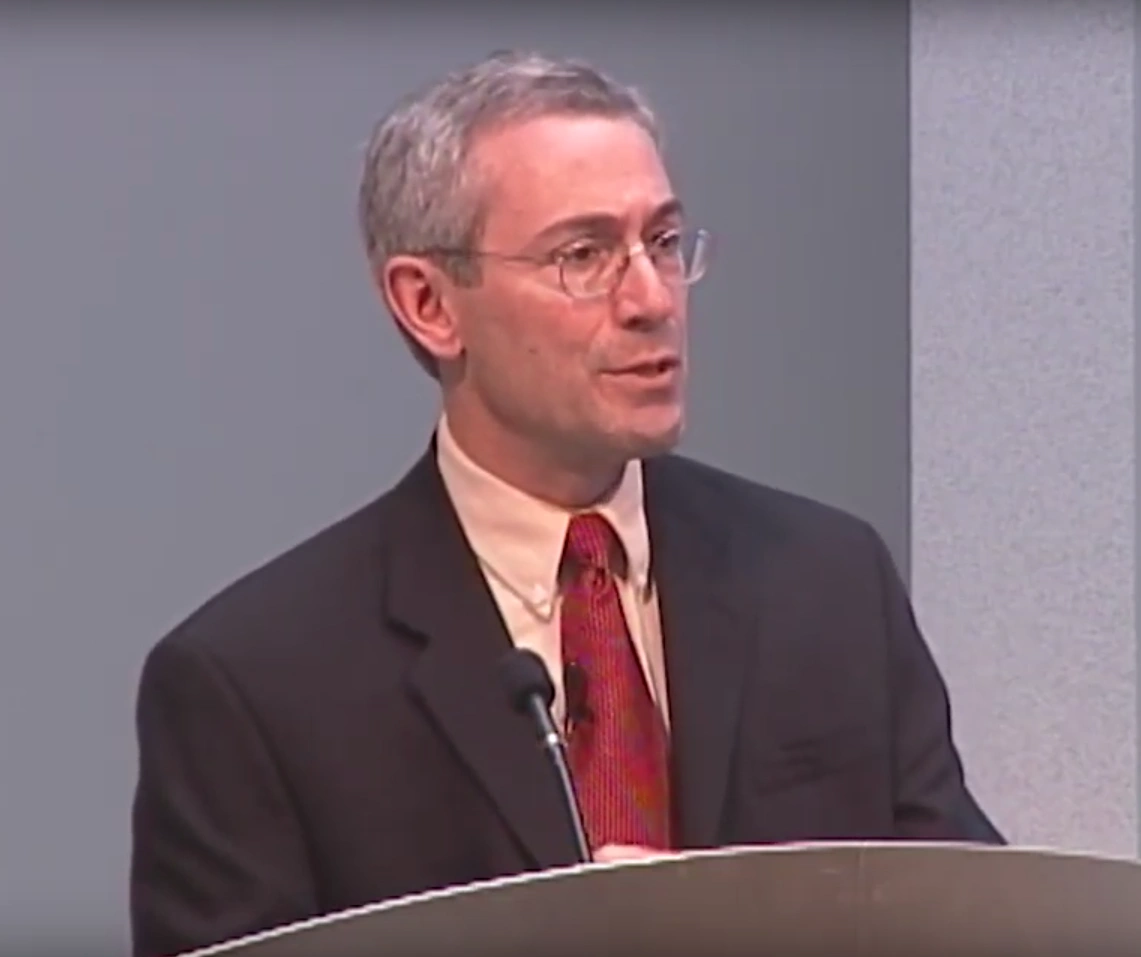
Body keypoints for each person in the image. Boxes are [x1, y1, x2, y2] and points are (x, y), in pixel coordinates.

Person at [128, 49, 1002, 957]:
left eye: (663, 242)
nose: (650, 298)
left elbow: (975, 920)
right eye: (582, 255)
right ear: (428, 303)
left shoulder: (826, 581)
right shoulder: (254, 684)